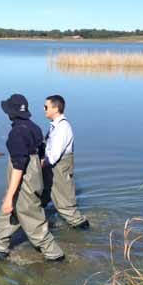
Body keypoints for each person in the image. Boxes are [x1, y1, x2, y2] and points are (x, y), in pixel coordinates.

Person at [0, 94, 65, 262]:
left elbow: (18, 167)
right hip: (32, 180)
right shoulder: (34, 127)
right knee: (3, 222)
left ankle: (58, 258)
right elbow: (42, 156)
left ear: (11, 113)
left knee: (36, 228)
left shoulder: (17, 133)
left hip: (24, 184)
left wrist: (9, 197)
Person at [41, 95, 89, 229]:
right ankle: (40, 225)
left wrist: (38, 164)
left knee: (66, 208)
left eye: (46, 107)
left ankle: (85, 232)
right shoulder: (55, 126)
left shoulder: (62, 128)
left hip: (59, 170)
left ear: (55, 109)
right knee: (41, 198)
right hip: (52, 169)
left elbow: (54, 156)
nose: (43, 109)